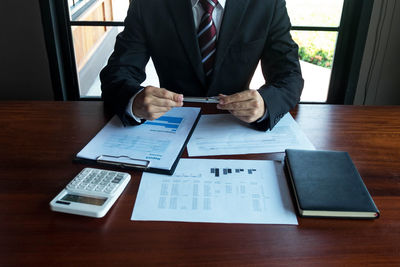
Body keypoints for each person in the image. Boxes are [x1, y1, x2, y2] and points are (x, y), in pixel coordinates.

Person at [100, 0, 304, 131]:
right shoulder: (148, 4)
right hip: (169, 124)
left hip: (235, 125)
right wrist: (134, 100)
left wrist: (266, 104)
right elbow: (117, 72)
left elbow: (290, 74)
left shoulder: (267, 4)